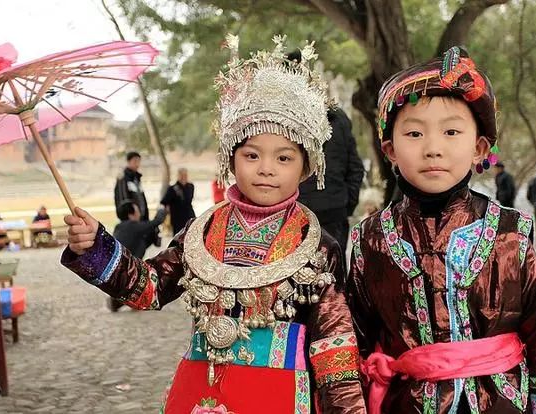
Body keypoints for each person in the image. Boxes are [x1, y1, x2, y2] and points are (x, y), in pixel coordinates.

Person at [61, 35, 364, 413]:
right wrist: (93, 245)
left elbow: (335, 345)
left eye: (284, 158)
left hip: (280, 395)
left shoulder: (318, 246)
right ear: (230, 161)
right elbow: (148, 288)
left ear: (306, 168)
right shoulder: (201, 233)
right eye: (251, 154)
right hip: (200, 393)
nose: (266, 168)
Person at [347, 47, 536, 414]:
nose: (433, 148)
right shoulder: (371, 239)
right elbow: (356, 338)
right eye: (413, 133)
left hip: (499, 403)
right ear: (390, 149)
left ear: (479, 148)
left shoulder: (508, 233)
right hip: (406, 404)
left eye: (451, 131)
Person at [287, 50, 365, 257]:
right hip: (327, 210)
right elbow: (356, 169)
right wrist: (347, 203)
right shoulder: (338, 115)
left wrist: (344, 204)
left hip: (301, 213)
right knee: (332, 278)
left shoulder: (334, 118)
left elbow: (354, 167)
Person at [107, 201, 167, 312]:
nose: (139, 213)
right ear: (131, 214)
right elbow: (157, 221)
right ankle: (119, 302)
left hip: (120, 270)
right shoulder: (132, 226)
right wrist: (162, 209)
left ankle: (118, 301)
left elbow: (139, 243)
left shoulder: (120, 227)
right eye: (137, 210)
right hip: (128, 271)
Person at [161, 168, 196, 235]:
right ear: (178, 176)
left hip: (189, 215)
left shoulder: (190, 186)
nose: (183, 177)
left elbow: (189, 200)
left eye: (185, 175)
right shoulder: (172, 188)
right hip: (177, 218)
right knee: (178, 238)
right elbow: (164, 201)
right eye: (181, 175)